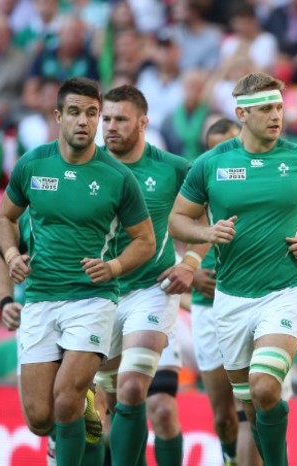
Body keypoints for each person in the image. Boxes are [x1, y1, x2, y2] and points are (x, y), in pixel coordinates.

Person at [168, 71, 297, 466]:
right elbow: (177, 220)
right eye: (266, 108)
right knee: (249, 406)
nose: (276, 116)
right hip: (230, 299)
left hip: (285, 292)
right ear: (242, 113)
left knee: (265, 387)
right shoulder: (210, 164)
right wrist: (207, 231)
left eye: (279, 107)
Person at [0, 77, 155, 466]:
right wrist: (13, 252)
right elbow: (5, 217)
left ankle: (81, 402)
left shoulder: (118, 177)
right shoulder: (32, 164)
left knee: (65, 398)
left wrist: (113, 266)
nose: (83, 121)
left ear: (99, 118)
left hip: (92, 299)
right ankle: (88, 406)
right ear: (58, 116)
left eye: (92, 113)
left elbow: (146, 241)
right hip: (40, 297)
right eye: (74, 112)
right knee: (39, 418)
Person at [93, 85, 191, 466]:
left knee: (136, 389)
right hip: (98, 293)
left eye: (120, 119)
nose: (111, 127)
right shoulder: (88, 166)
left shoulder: (173, 168)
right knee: (109, 404)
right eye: (107, 119)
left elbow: (206, 218)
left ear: (144, 122)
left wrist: (190, 264)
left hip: (152, 289)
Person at [189, 117, 263, 466]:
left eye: (230, 142)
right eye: (215, 146)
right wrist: (188, 274)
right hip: (207, 307)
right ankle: (230, 458)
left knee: (252, 406)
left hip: (254, 299)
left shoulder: (261, 184)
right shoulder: (196, 185)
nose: (223, 152)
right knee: (223, 416)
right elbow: (161, 238)